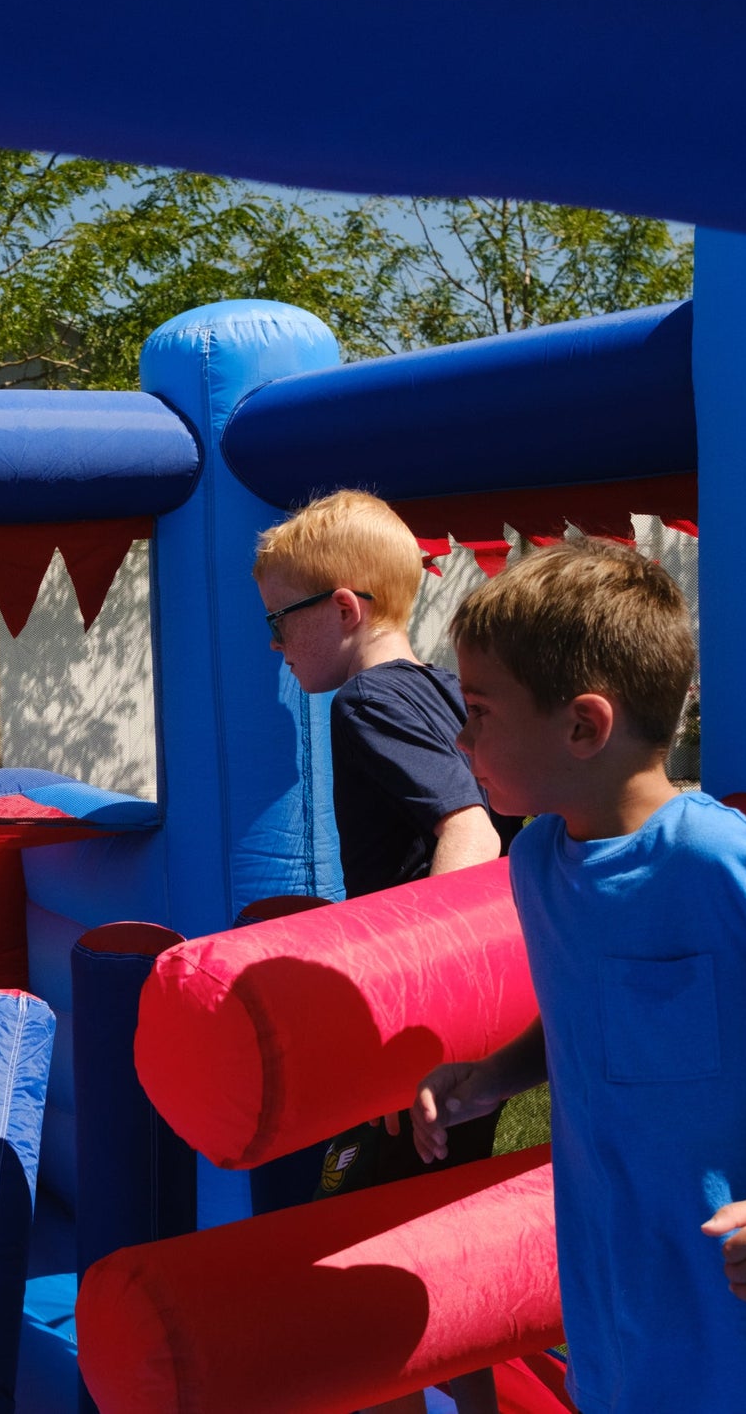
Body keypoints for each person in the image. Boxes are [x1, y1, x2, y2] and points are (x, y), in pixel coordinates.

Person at [413, 538, 746, 1413]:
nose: (460, 734)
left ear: (582, 726)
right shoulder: (541, 860)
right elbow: (598, 1017)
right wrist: (494, 1078)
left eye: (478, 709)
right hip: (621, 1328)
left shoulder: (723, 864)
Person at [254, 489, 514, 1414]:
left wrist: (439, 1034)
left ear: (344, 608)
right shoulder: (444, 688)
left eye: (280, 621)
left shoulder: (366, 700)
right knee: (434, 1242)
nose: (275, 646)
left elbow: (472, 835)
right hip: (470, 1034)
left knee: (359, 1260)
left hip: (427, 1038)